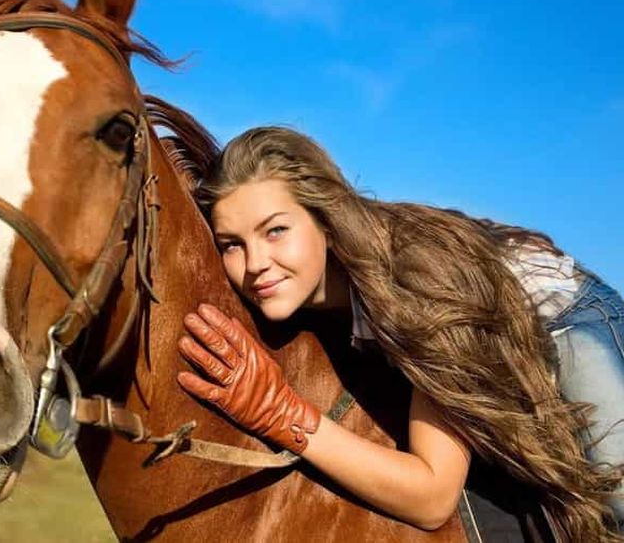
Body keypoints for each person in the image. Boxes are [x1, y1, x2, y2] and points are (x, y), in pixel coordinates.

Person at [174, 126, 624, 540]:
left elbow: (432, 498)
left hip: (560, 312)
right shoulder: (308, 292)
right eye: (232, 244)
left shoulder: (415, 285)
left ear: (325, 220)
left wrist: (281, 415)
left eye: (275, 231)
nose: (255, 264)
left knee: (617, 501)